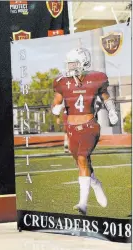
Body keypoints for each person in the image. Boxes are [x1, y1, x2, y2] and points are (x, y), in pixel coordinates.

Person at [51, 47, 118, 215]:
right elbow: (56, 102)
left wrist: (112, 112)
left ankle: (82, 204)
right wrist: (56, 108)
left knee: (82, 158)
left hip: (89, 126)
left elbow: (106, 97)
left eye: (73, 63)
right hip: (72, 129)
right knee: (81, 163)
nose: (70, 67)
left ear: (83, 63)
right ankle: (95, 184)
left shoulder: (96, 78)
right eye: (69, 64)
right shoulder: (62, 81)